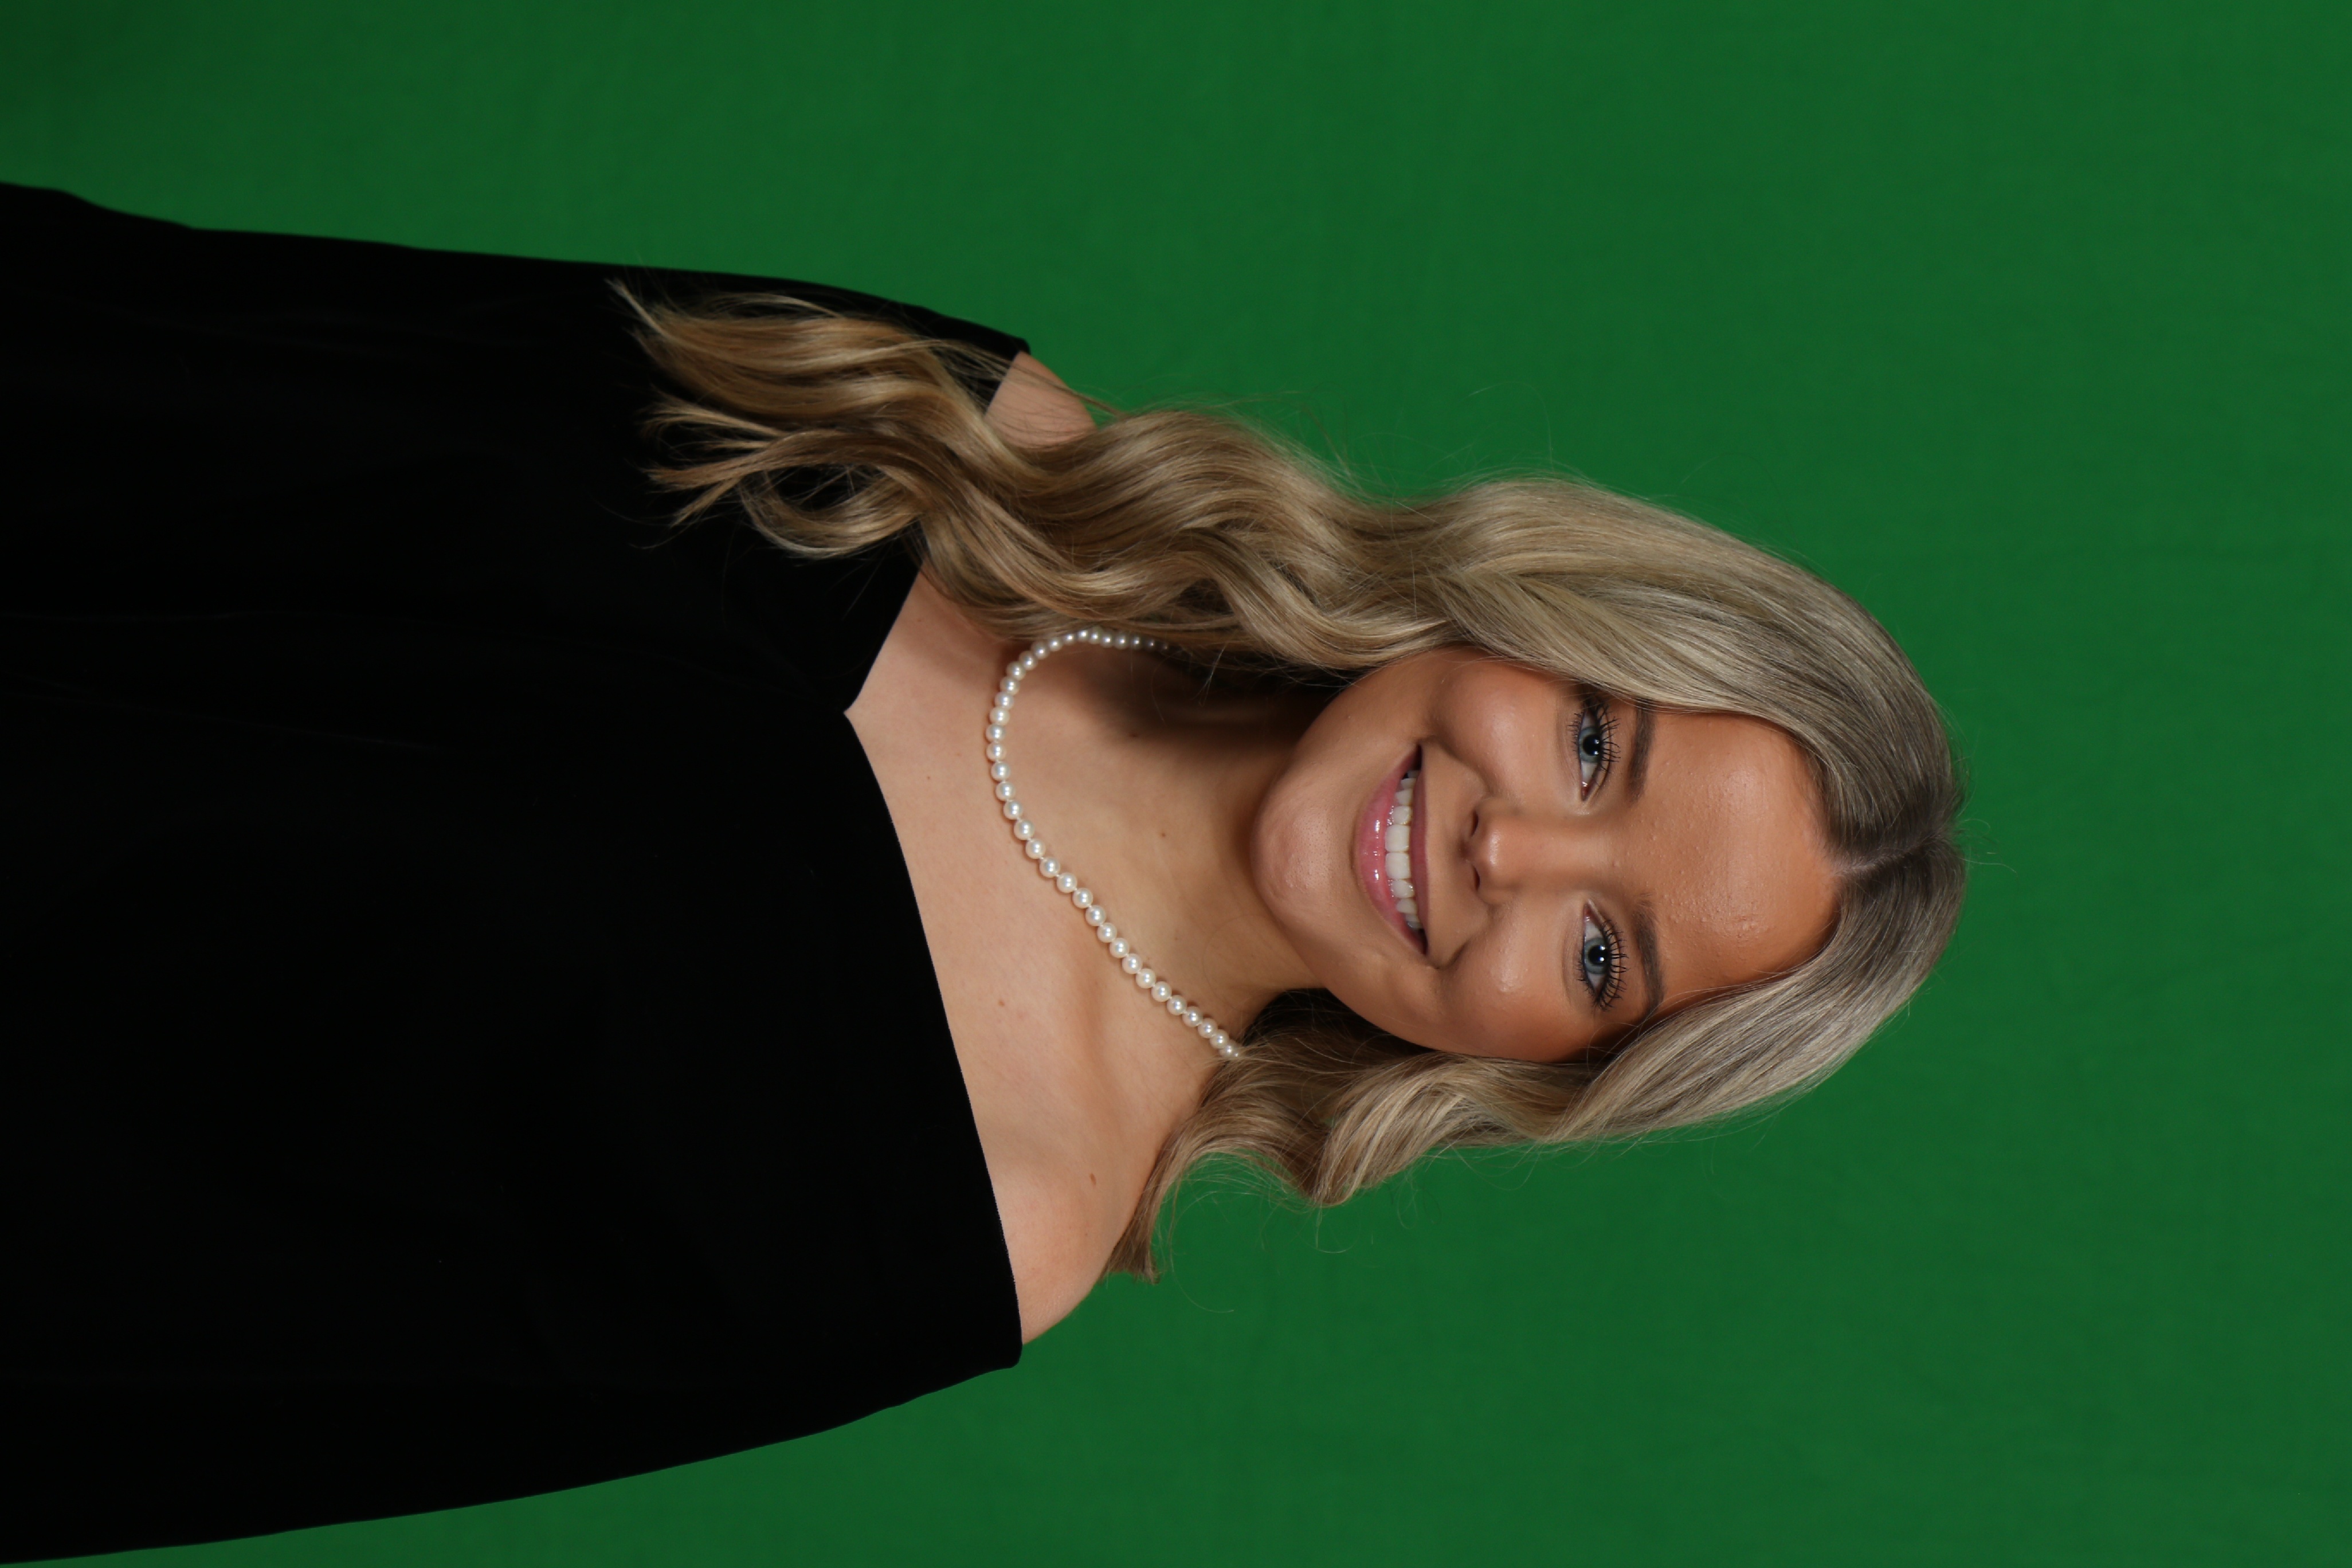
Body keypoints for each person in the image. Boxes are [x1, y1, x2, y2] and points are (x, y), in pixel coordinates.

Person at [0, 184, 1964, 1562]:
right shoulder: (986, 440)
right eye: (1596, 748)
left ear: (1547, 1067)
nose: (1506, 851)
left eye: (1604, 953)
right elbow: (218, 348)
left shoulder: (991, 1211)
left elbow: (189, 1383)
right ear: (1534, 617)